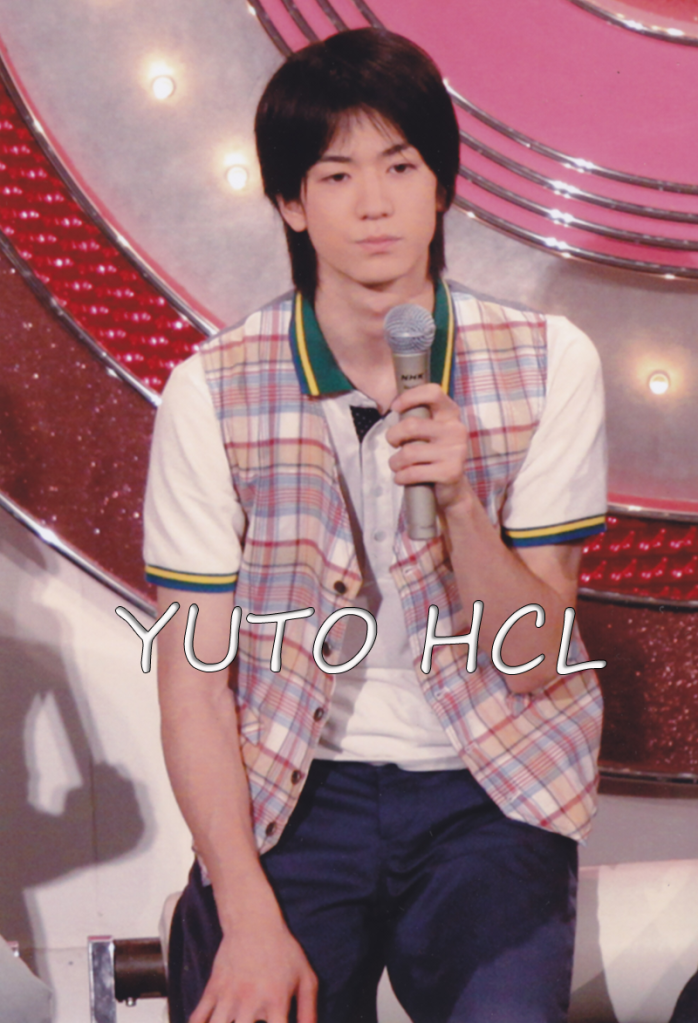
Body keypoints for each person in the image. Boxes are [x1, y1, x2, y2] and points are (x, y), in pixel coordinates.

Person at [144, 27, 607, 1023]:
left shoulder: (547, 360)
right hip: (295, 791)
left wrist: (461, 504)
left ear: (440, 185)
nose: (373, 203)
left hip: (487, 790)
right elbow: (192, 683)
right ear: (289, 202)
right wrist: (246, 913)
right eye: (336, 173)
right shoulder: (212, 390)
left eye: (399, 167)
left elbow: (534, 658)